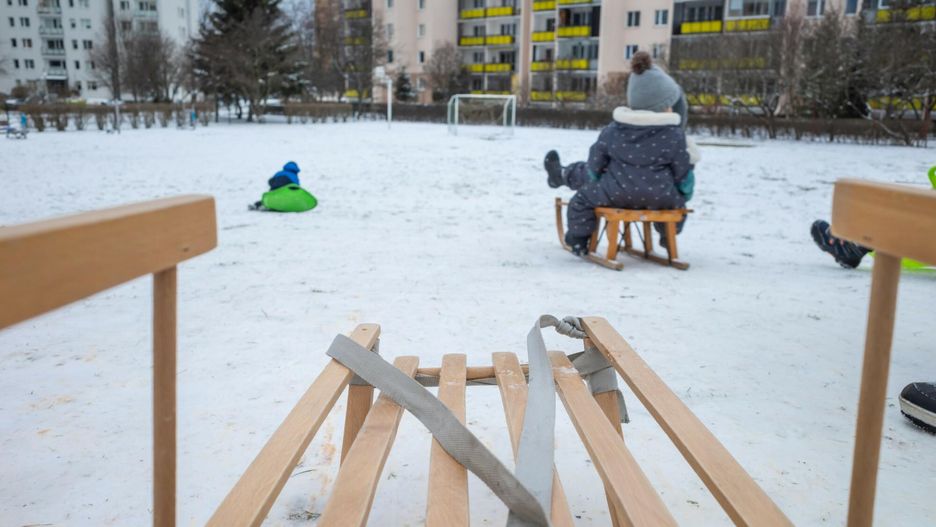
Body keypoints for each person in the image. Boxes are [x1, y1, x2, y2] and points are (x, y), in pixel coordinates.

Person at [545, 52, 699, 255]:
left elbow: (595, 162)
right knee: (677, 203)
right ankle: (667, 232)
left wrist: (595, 177)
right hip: (661, 197)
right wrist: (683, 194)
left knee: (581, 200)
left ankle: (578, 238)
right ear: (665, 107)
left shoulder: (615, 130)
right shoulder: (675, 135)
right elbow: (683, 172)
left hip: (615, 193)